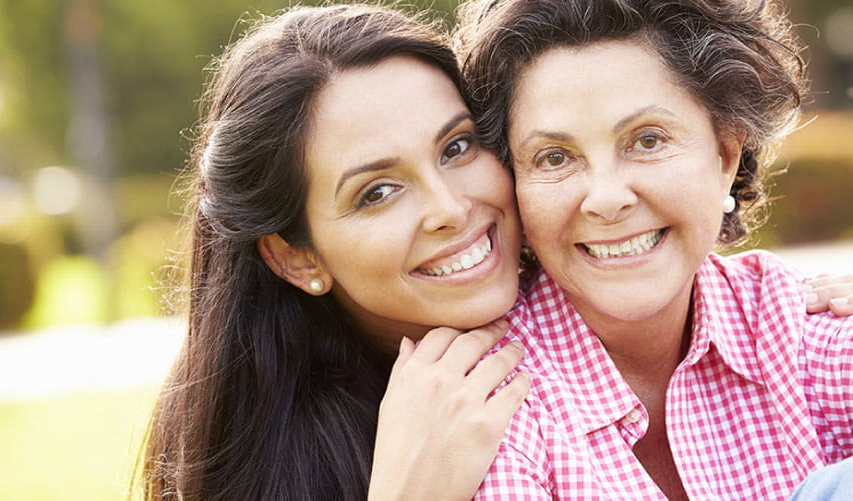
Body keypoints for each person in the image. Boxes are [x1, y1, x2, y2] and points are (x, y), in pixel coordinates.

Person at [455, 0, 853, 499]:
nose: (605, 199)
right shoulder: (489, 396)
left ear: (725, 154)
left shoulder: (793, 324)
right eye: (554, 157)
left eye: (647, 140)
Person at [140, 5, 531, 500]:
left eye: (456, 147)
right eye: (377, 192)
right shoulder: (277, 473)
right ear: (295, 259)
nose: (449, 208)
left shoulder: (602, 310)